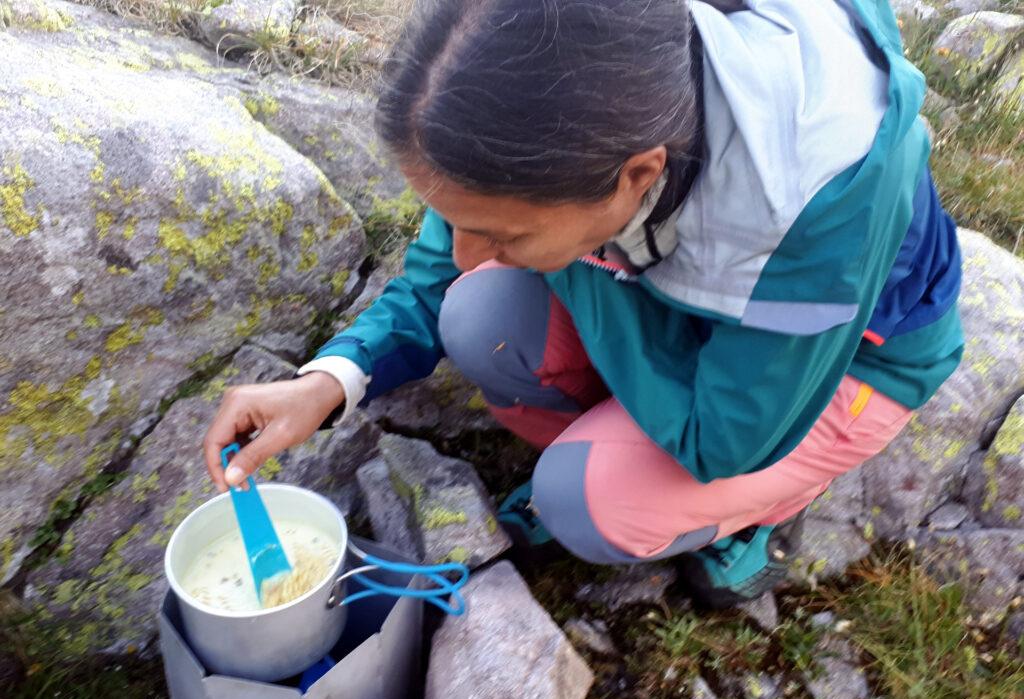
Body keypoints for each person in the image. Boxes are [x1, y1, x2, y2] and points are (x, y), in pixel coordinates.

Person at [204, 0, 963, 608]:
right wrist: (333, 377)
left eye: (502, 232)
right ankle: (611, 441)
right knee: (478, 312)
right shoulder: (548, 112)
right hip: (678, 291)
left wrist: (578, 268)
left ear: (637, 175)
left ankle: (751, 516)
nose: (467, 255)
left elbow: (727, 438)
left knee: (590, 502)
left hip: (841, 363)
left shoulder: (818, 190)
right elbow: (444, 274)